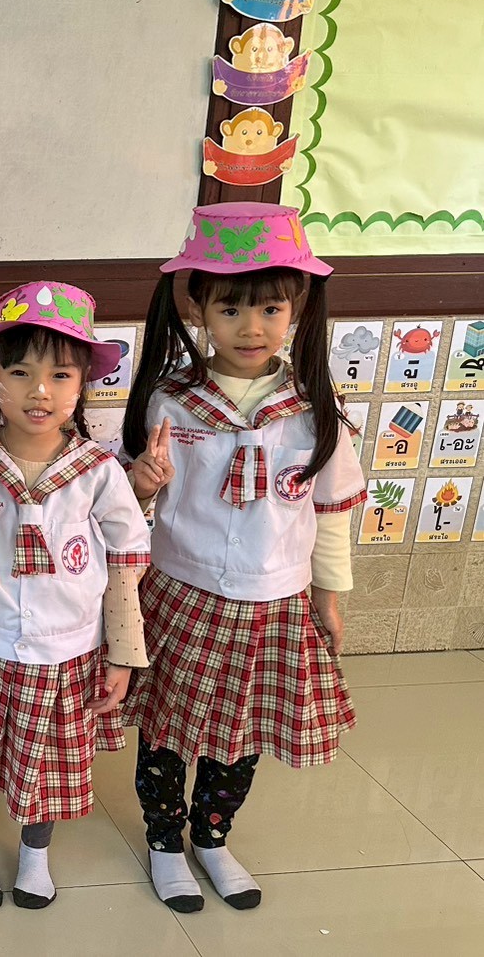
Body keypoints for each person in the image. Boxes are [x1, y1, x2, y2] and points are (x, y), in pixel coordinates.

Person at [121, 203, 365, 913]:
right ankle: (164, 841)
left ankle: (212, 836)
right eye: (230, 309)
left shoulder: (313, 408)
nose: (250, 327)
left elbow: (328, 511)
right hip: (180, 592)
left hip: (274, 603)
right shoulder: (170, 400)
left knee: (240, 735)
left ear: (297, 308)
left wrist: (327, 598)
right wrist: (140, 486)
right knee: (166, 730)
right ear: (197, 308)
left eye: (269, 308)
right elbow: (128, 507)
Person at [0, 281, 150, 911]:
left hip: (66, 653)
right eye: (20, 372)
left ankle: (36, 856)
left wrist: (123, 655)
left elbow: (126, 563)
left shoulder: (98, 471)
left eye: (60, 375)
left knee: (47, 765)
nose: (39, 391)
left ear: (82, 385)